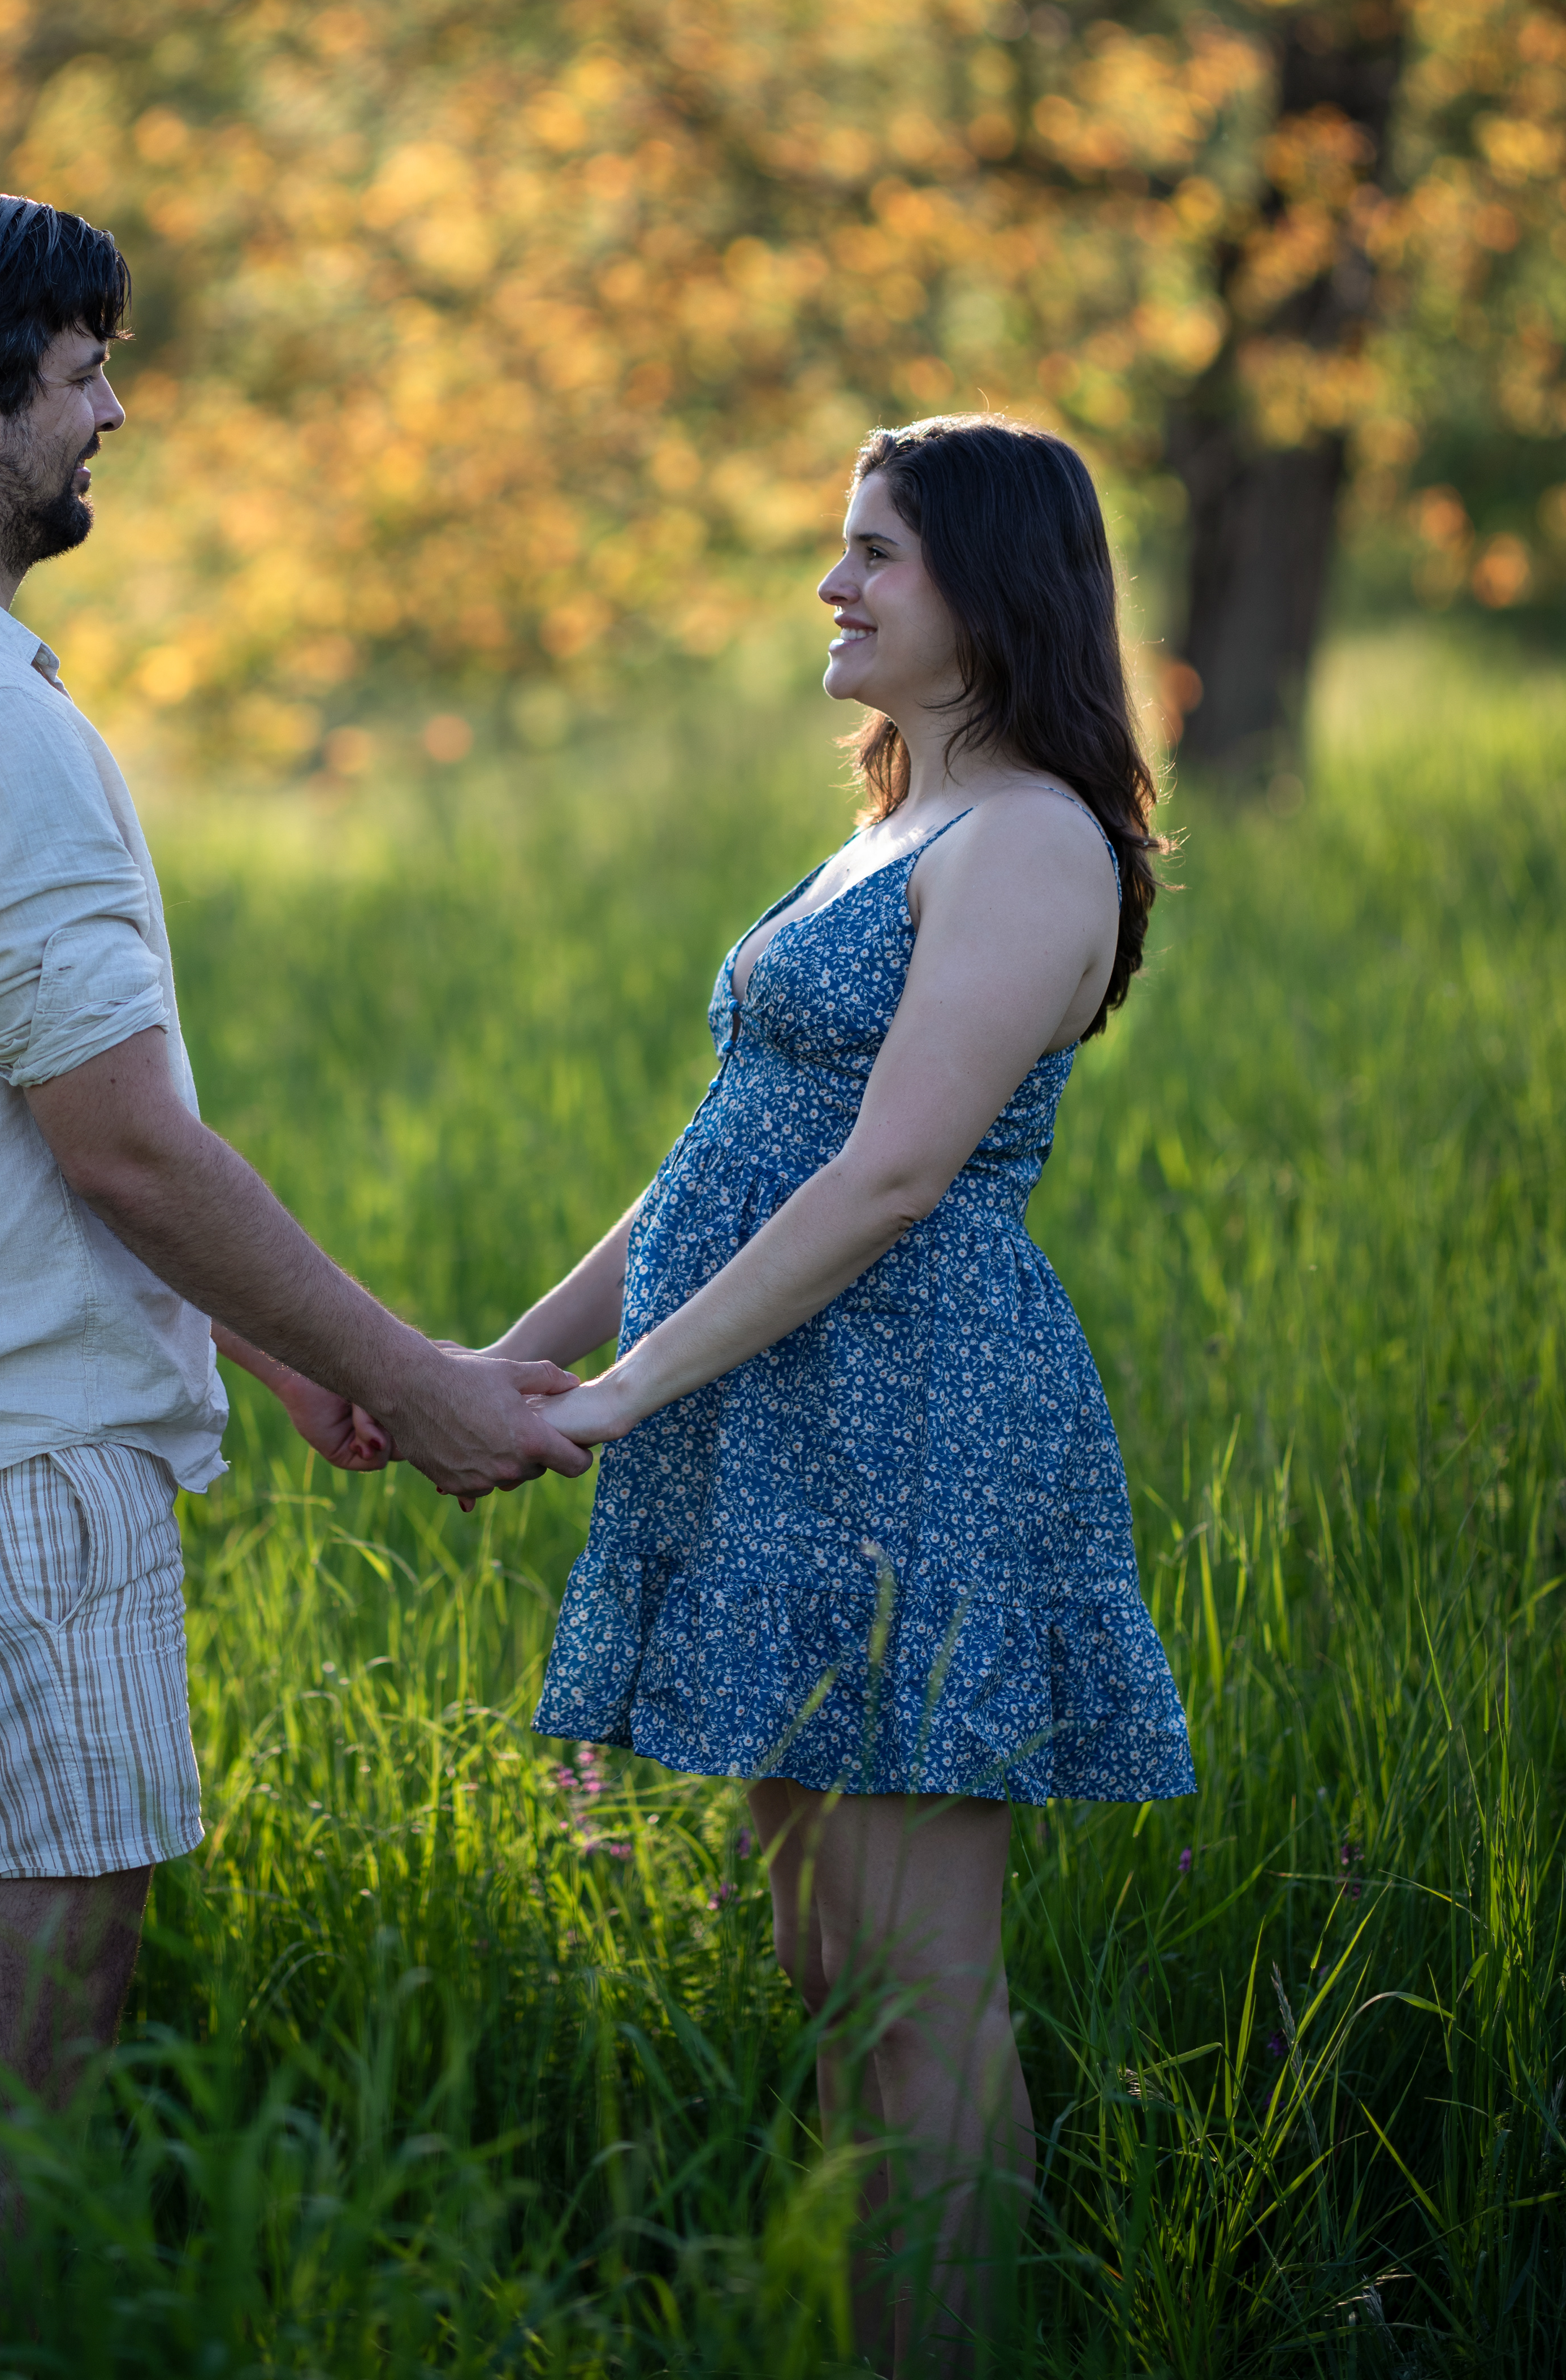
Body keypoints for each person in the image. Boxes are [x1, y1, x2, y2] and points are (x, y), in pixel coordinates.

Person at [0, 184, 586, 2249]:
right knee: (23, 2068)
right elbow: (127, 1145)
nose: (112, 410)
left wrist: (273, 1350)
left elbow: (13, 1131)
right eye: (82, 372)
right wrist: (416, 1380)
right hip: (0, 1503)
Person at [495, 416, 1196, 2372]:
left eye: (878, 551)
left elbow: (890, 1175)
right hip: (787, 1424)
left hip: (920, 1425)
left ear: (993, 587)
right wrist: (527, 1355)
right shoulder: (895, 822)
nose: (835, 582)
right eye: (843, 544)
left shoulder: (1034, 835)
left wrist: (621, 1396)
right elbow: (730, 1149)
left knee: (913, 1980)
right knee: (829, 1960)